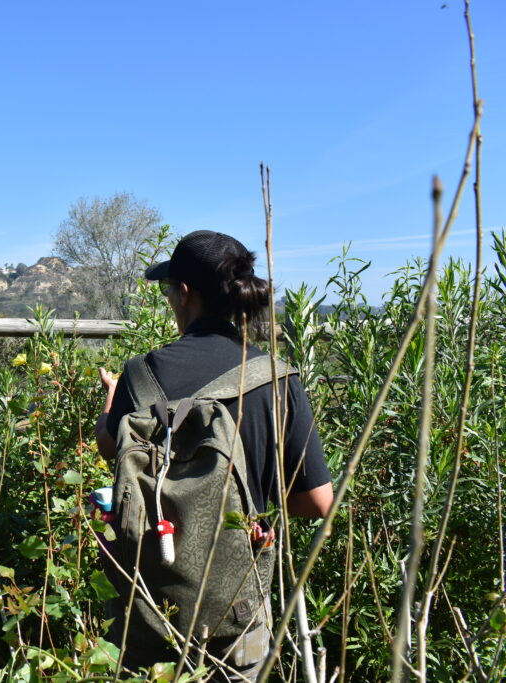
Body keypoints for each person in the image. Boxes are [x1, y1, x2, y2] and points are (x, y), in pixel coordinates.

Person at [94, 230, 334, 679]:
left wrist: (112, 402)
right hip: (237, 618)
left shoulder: (140, 376)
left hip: (147, 621)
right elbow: (317, 502)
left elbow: (111, 445)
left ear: (184, 294)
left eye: (168, 290)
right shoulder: (277, 380)